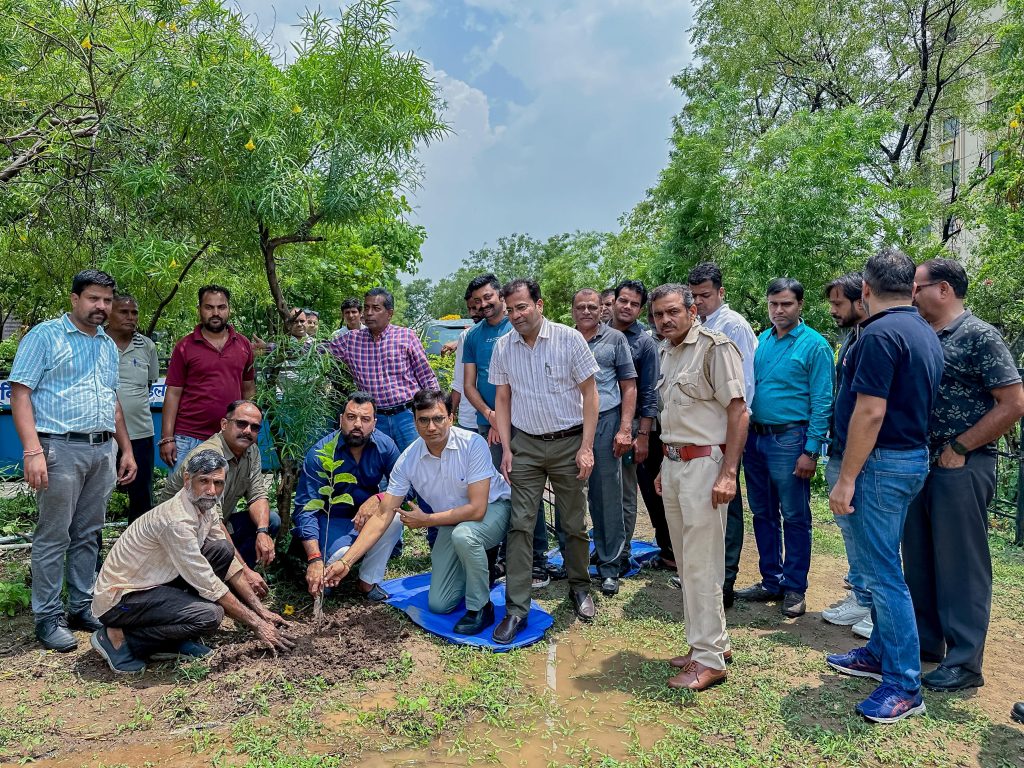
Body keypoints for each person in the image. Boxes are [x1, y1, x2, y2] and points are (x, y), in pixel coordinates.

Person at [825, 247, 944, 724]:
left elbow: (870, 411)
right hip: (908, 459)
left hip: (879, 465)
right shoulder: (923, 330)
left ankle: (903, 684)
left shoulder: (879, 335)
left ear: (867, 290)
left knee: (881, 575)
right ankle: (878, 653)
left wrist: (848, 477)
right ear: (911, 289)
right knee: (881, 566)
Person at [904, 258, 1024, 692]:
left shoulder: (979, 335)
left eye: (916, 287)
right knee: (919, 557)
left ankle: (965, 662)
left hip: (961, 464)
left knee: (960, 566)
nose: (910, 294)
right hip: (920, 462)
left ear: (944, 290)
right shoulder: (922, 333)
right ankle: (928, 643)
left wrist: (960, 447)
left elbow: (1012, 403)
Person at [9, 269, 137, 651]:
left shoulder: (106, 345)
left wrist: (125, 448)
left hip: (101, 449)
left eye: (107, 300)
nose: (101, 307)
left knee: (89, 533)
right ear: (75, 299)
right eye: (94, 299)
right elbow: (20, 394)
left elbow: (112, 402)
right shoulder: (45, 336)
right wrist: (33, 451)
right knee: (53, 535)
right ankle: (47, 617)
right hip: (59, 448)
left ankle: (81, 605)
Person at [90, 450, 295, 673]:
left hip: (155, 583)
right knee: (210, 615)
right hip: (120, 599)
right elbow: (207, 582)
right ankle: (119, 638)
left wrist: (260, 610)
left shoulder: (204, 505)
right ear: (187, 479)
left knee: (222, 550)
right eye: (203, 481)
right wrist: (257, 625)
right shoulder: (176, 520)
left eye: (218, 483)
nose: (211, 490)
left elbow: (230, 566)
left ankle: (172, 638)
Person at [326, 390, 511, 635]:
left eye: (438, 418)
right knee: (439, 604)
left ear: (451, 418)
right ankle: (483, 566)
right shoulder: (409, 459)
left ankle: (481, 608)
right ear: (414, 422)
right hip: (451, 521)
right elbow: (383, 514)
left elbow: (477, 509)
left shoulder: (472, 444)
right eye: (423, 420)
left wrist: (427, 520)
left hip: (493, 510)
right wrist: (346, 561)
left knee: (465, 536)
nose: (431, 427)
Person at [488, 278, 600, 644]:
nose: (516, 315)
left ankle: (581, 587)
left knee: (573, 523)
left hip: (569, 444)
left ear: (539, 304)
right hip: (527, 447)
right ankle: (517, 609)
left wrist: (586, 447)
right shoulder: (504, 347)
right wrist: (507, 448)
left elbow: (590, 395)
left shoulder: (570, 339)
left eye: (522, 307)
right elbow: (502, 400)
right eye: (511, 310)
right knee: (520, 525)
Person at [650, 284, 748, 691]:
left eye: (673, 312)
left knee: (702, 563)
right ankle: (708, 645)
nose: (665, 320)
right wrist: (662, 464)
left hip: (705, 465)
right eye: (658, 315)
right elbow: (672, 416)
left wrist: (728, 473)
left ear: (692, 310)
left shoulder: (714, 346)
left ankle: (709, 661)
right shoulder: (667, 351)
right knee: (688, 561)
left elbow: (739, 412)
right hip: (674, 463)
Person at [736, 277, 833, 618]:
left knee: (794, 516)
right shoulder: (763, 339)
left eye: (786, 304)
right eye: (774, 304)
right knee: (762, 513)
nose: (779, 310)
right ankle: (770, 580)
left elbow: (823, 401)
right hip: (756, 438)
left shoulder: (814, 345)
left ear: (800, 305)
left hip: (791, 440)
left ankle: (794, 587)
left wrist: (811, 450)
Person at [462, 273, 551, 588]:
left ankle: (538, 560)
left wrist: (503, 419)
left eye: (488, 297)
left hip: (524, 424)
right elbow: (469, 386)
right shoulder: (473, 337)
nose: (483, 304)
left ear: (500, 295)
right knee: (503, 492)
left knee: (528, 490)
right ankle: (505, 558)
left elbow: (529, 380)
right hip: (491, 428)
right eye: (477, 301)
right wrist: (489, 416)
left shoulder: (518, 327)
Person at [687, 263, 758, 608]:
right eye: (695, 296)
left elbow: (743, 389)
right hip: (702, 433)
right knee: (706, 504)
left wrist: (734, 437)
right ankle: (708, 574)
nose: (699, 302)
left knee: (726, 504)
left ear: (721, 293)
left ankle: (725, 580)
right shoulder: (699, 327)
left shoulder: (733, 326)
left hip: (726, 431)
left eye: (706, 295)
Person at [294, 392, 404, 602]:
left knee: (395, 515)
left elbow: (406, 488)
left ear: (374, 423)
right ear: (341, 419)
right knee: (341, 554)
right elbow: (305, 509)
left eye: (365, 419)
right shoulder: (320, 453)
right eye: (351, 417)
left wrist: (379, 497)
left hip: (367, 521)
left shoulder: (385, 446)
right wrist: (314, 557)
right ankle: (333, 564)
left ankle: (367, 581)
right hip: (330, 520)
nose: (357, 425)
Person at [570, 289, 636, 596]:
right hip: (569, 425)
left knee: (606, 496)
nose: (586, 311)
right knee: (569, 496)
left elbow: (629, 386)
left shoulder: (615, 340)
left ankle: (610, 567)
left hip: (607, 422)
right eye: (580, 307)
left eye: (592, 307)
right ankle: (575, 562)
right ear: (572, 310)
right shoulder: (564, 340)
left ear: (601, 310)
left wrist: (625, 428)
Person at [161, 401, 278, 571]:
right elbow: (213, 523)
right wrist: (243, 570)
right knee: (220, 545)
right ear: (224, 424)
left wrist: (262, 531)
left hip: (212, 525)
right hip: (181, 533)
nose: (247, 431)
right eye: (241, 424)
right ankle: (235, 578)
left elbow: (257, 495)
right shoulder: (209, 457)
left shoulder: (252, 451)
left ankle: (233, 579)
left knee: (270, 521)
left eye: (254, 427)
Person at [820, 273, 873, 634]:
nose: (834, 311)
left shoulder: (876, 337)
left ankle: (876, 607)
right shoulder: (852, 339)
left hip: (866, 453)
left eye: (839, 303)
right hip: (839, 446)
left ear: (860, 300)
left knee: (871, 530)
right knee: (850, 528)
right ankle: (861, 596)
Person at [326, 288, 438, 451]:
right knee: (379, 470)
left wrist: (435, 409)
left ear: (389, 313)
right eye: (366, 308)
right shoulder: (351, 340)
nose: (369, 313)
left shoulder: (406, 336)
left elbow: (426, 377)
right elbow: (319, 352)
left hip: (407, 416)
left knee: (417, 464)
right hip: (373, 419)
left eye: (376, 308)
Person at [159, 285, 256, 469]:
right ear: (200, 310)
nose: (215, 313)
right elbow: (173, 394)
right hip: (189, 438)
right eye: (209, 307)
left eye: (221, 307)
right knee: (184, 496)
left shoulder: (243, 345)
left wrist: (248, 430)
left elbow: (249, 389)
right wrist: (167, 438)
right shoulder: (184, 346)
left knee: (225, 495)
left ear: (229, 309)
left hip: (230, 438)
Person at [608, 280, 667, 572]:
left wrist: (642, 434)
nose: (627, 307)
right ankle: (606, 545)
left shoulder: (643, 342)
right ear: (614, 301)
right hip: (597, 427)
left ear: (641, 309)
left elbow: (648, 394)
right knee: (601, 491)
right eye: (623, 301)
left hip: (629, 430)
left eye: (634, 303)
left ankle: (622, 550)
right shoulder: (597, 334)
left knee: (626, 492)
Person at [106, 294, 160, 522]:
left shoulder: (146, 346)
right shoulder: (96, 342)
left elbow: (149, 383)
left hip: (140, 434)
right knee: (97, 497)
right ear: (109, 313)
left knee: (142, 498)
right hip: (103, 435)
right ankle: (93, 556)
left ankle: (138, 552)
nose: (131, 317)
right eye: (124, 312)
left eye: (134, 312)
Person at [451, 294, 485, 431]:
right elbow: (459, 381)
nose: (472, 313)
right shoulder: (466, 336)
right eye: (469, 308)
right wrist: (451, 413)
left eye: (475, 308)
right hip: (469, 420)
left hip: (498, 419)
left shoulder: (508, 333)